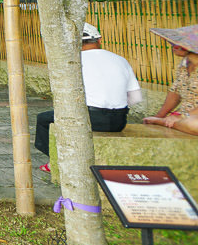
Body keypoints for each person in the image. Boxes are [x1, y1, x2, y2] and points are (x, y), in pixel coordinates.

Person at [34, 23, 143, 170]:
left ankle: (57, 162)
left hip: (88, 118)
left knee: (43, 119)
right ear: (99, 40)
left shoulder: (74, 62)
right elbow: (135, 98)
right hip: (119, 121)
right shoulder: (120, 60)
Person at [143, 25, 198, 136]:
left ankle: (166, 123)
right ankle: (168, 122)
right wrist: (159, 116)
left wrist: (182, 116)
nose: (174, 46)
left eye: (180, 44)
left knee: (194, 124)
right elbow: (175, 92)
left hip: (189, 118)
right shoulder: (184, 64)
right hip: (184, 117)